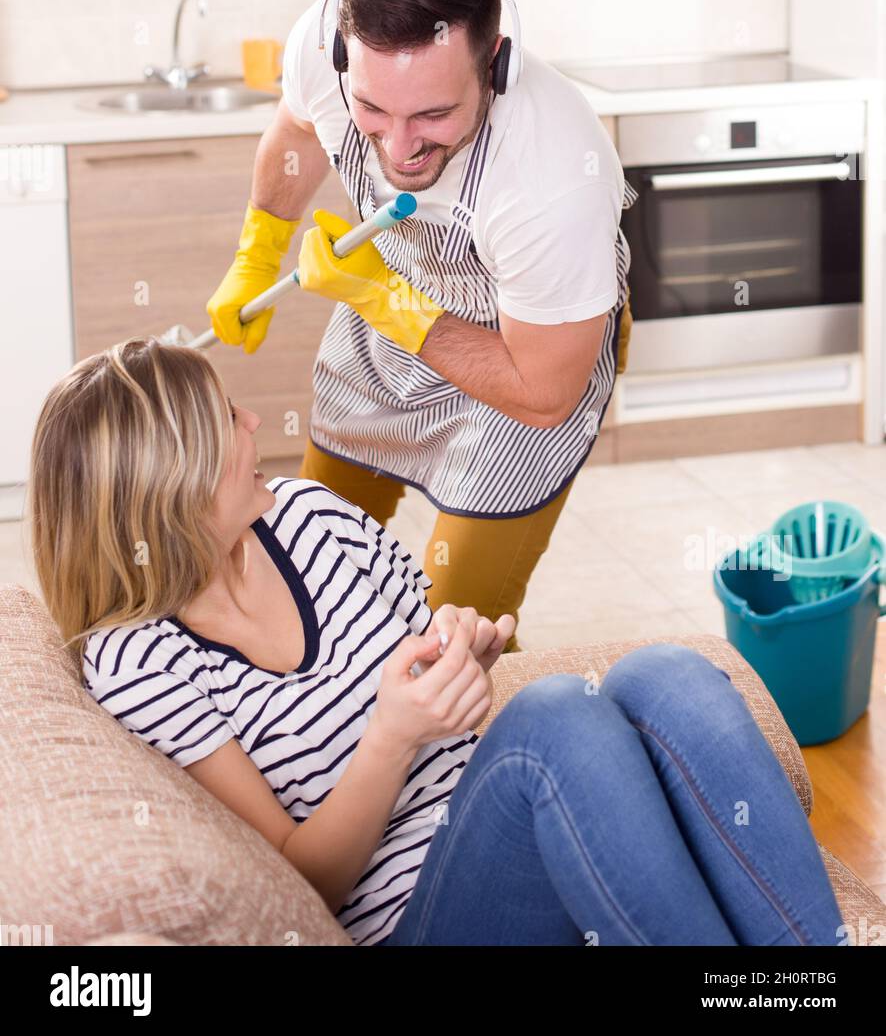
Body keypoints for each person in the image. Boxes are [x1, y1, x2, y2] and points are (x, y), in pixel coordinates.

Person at [30, 339, 843, 947]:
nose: (251, 421)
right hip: (416, 921)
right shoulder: (140, 661)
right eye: (223, 420)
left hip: (503, 827)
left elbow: (427, 662)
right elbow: (301, 880)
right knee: (554, 720)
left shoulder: (310, 516)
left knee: (669, 672)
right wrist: (391, 735)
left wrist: (462, 652)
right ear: (169, 484)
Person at [205, 0, 635, 654]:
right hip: (394, 294)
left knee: (451, 633)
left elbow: (544, 391)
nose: (399, 147)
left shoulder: (553, 172)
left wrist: (385, 300)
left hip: (526, 356)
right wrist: (258, 251)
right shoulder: (324, 43)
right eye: (373, 111)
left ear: (493, 66)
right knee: (308, 559)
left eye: (433, 116)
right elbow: (298, 134)